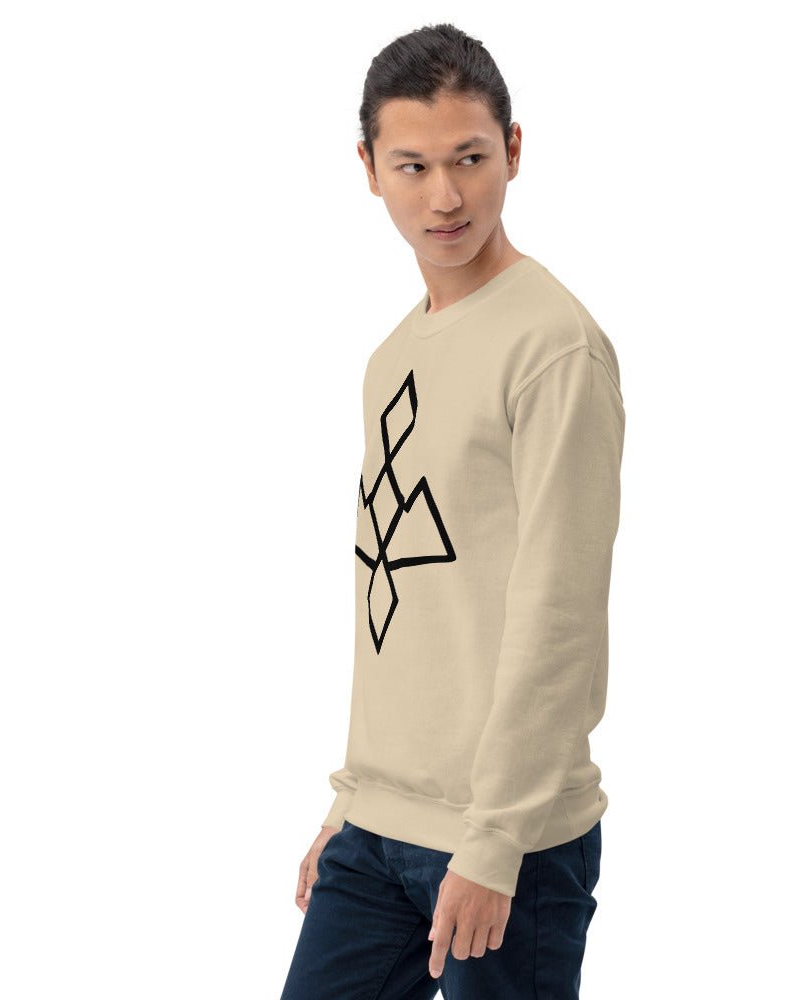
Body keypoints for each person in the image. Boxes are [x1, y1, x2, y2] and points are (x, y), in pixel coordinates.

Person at [280, 22, 626, 1000]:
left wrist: (496, 838)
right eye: (414, 166)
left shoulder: (553, 347)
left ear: (513, 150)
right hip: (380, 830)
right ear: (368, 169)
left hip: (509, 840)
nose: (445, 196)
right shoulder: (392, 357)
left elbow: (558, 612)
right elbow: (395, 603)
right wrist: (354, 800)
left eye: (470, 159)